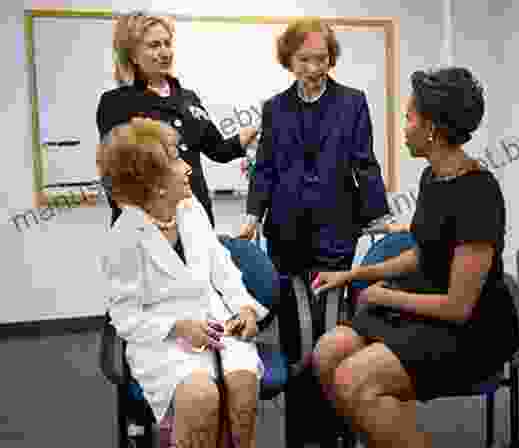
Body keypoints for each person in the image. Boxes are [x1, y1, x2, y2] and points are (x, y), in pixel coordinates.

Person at [311, 67, 519, 448]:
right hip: (426, 308)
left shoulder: (478, 193)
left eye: (409, 117)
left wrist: (383, 295)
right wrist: (355, 274)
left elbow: (458, 306)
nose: (403, 127)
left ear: (433, 129)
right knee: (327, 353)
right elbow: (421, 255)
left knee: (353, 379)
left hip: (470, 329)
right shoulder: (432, 178)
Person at [238, 18, 391, 446]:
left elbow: (364, 162)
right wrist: (253, 215)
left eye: (321, 59)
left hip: (335, 232)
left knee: (330, 334)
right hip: (286, 232)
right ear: (289, 60)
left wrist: (377, 215)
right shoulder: (275, 108)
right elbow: (265, 168)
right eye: (305, 59)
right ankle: (301, 432)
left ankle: (335, 430)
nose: (314, 67)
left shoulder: (353, 102)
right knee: (294, 335)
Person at [97, 118, 268, 448]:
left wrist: (245, 308)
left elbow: (225, 270)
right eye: (177, 160)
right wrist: (178, 327)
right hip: (163, 340)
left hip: (217, 324)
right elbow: (126, 318)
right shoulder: (123, 239)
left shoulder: (191, 210)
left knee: (243, 387)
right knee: (201, 398)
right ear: (155, 182)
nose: (188, 168)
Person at [97, 11, 257, 228]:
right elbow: (116, 173)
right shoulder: (117, 103)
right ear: (133, 55)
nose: (164, 52)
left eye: (167, 43)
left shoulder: (188, 98)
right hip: (153, 224)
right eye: (154, 45)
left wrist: (253, 130)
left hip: (197, 218)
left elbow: (218, 150)